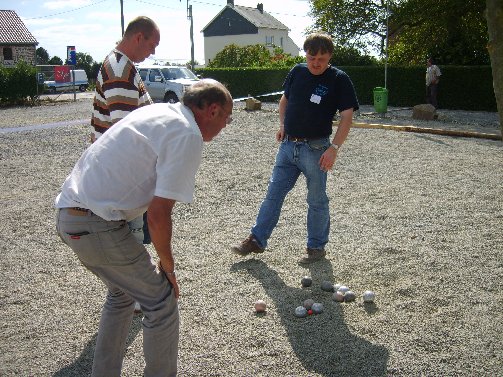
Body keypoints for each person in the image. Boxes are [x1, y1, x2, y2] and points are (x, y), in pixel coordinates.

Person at [55, 79, 233, 377]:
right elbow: (158, 215)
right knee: (162, 301)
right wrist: (169, 269)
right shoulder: (187, 133)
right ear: (212, 110)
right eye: (228, 118)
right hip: (96, 223)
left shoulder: (160, 112)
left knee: (122, 294)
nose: (226, 125)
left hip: (69, 215)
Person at [231, 33, 359, 265]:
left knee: (316, 199)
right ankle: (256, 240)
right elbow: (284, 100)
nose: (316, 63)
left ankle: (316, 248)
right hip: (288, 146)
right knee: (274, 194)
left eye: (321, 58)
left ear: (330, 56)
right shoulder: (297, 72)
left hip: (316, 148)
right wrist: (282, 126)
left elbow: (347, 116)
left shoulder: (339, 79)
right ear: (306, 54)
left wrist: (334, 148)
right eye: (312, 57)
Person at [91, 16, 160, 249]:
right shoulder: (120, 68)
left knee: (128, 261)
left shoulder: (121, 64)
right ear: (139, 37)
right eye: (152, 45)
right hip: (124, 180)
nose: (152, 53)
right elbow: (127, 132)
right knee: (133, 256)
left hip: (120, 177)